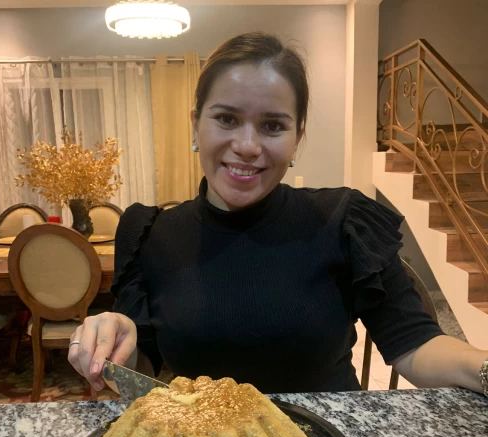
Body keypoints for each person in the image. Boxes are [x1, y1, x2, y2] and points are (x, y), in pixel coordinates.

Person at [68, 32, 488, 396]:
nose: (247, 146)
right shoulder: (150, 234)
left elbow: (414, 344)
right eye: (226, 118)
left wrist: (483, 369)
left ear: (297, 136)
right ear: (196, 124)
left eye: (272, 126)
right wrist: (110, 346)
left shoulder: (343, 221)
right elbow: (141, 370)